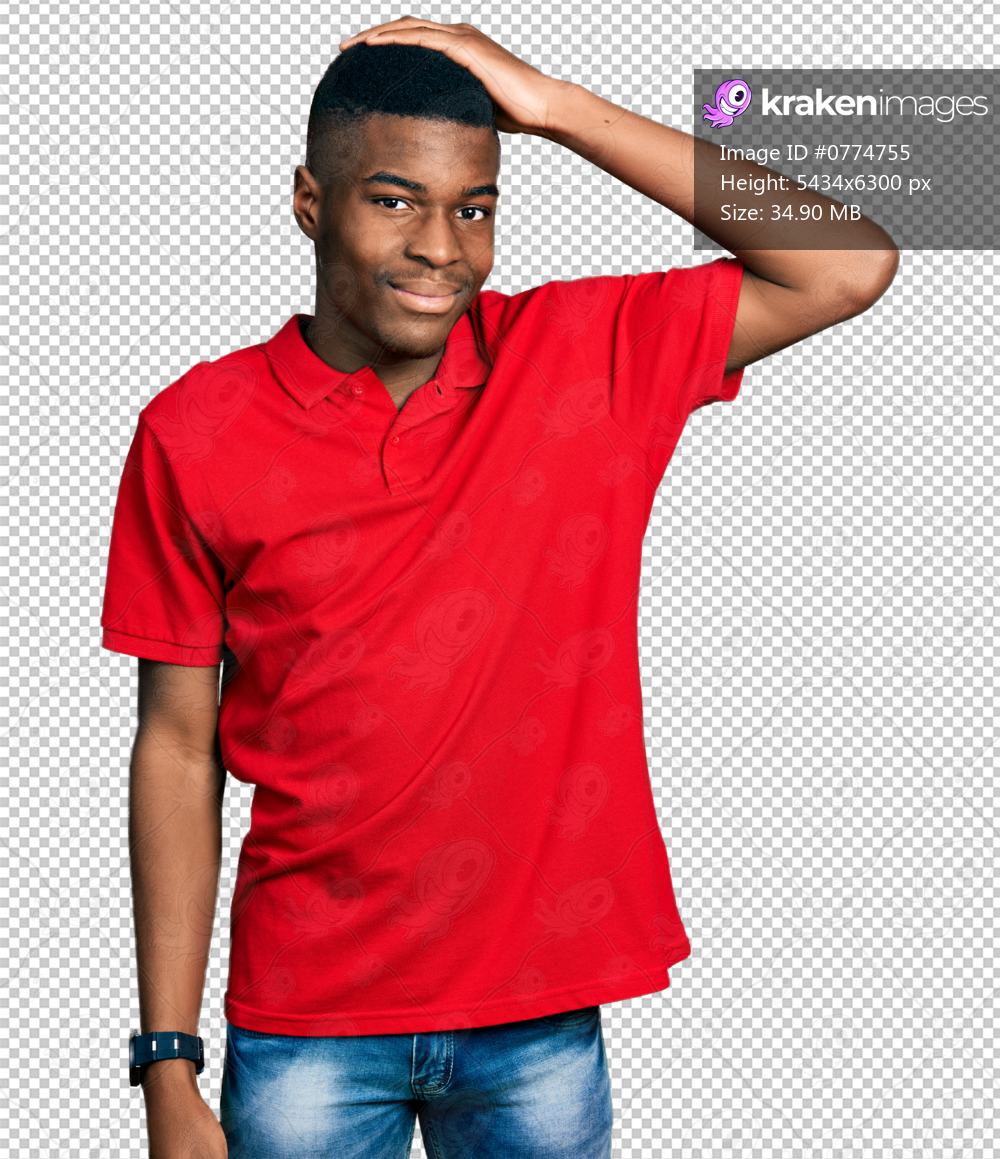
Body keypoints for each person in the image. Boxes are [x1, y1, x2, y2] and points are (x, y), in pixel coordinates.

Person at [102, 18, 898, 1159]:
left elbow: (844, 260)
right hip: (307, 1022)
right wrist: (165, 1061)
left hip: (536, 1016)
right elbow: (178, 748)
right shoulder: (195, 430)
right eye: (393, 199)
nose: (442, 246)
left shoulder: (583, 355)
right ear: (308, 202)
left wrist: (558, 107)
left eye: (473, 207)